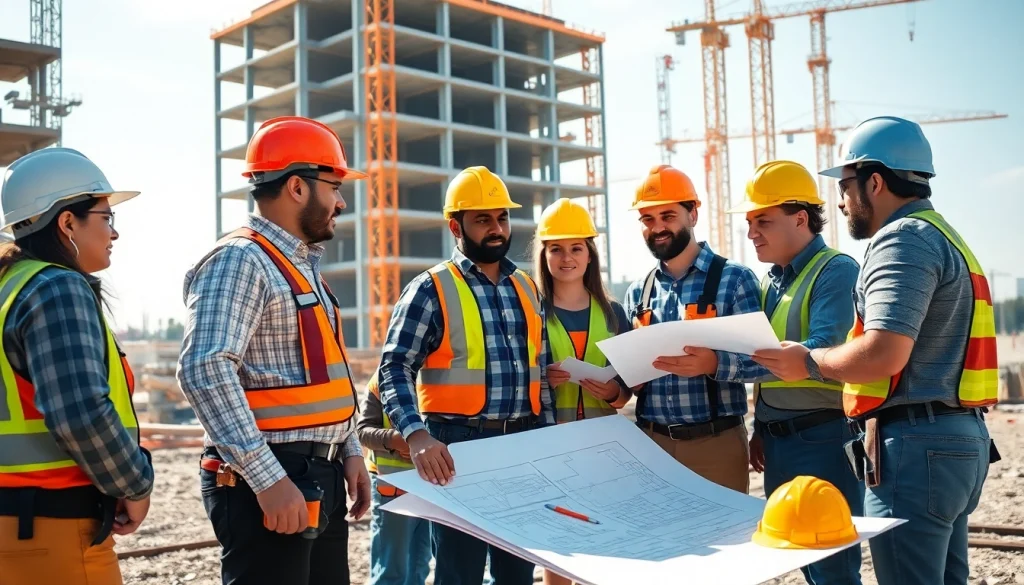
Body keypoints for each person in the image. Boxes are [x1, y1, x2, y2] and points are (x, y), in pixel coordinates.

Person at [753, 116, 999, 585]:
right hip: (957, 439)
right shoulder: (945, 235)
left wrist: (807, 360)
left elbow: (884, 352)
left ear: (877, 181)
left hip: (916, 446)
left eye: (845, 186)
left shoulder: (902, 239)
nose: (841, 201)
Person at [177, 116, 372, 585]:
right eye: (334, 185)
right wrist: (267, 479)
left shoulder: (300, 268)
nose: (341, 201)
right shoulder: (241, 260)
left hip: (315, 473)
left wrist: (345, 450)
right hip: (272, 476)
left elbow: (324, 376)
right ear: (298, 188)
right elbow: (204, 369)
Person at [377, 165, 552, 585]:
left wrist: (548, 440)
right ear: (456, 226)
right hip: (457, 449)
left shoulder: (526, 288)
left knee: (517, 572)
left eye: (502, 217)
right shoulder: (430, 288)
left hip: (521, 443)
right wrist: (417, 435)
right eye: (483, 219)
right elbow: (394, 366)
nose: (497, 228)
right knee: (459, 574)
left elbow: (539, 371)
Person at [0, 148, 154, 585]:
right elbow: (81, 413)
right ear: (67, 223)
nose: (115, 232)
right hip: (54, 529)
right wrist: (134, 484)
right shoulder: (55, 288)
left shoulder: (8, 287)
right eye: (105, 217)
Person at [726, 160, 863, 585]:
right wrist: (759, 427)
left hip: (822, 439)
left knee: (831, 567)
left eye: (762, 221)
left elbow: (825, 351)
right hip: (779, 441)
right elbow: (767, 364)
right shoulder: (772, 282)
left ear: (800, 218)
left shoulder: (836, 271)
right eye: (749, 222)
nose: (751, 233)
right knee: (800, 560)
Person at [623, 164, 762, 495]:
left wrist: (714, 364)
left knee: (729, 542)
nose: (658, 228)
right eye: (648, 219)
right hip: (651, 444)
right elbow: (631, 376)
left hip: (716, 445)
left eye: (668, 216)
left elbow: (765, 361)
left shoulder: (734, 280)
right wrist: (630, 378)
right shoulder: (637, 292)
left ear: (693, 214)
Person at [533, 197, 631, 585]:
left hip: (600, 449)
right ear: (544, 255)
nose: (566, 257)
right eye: (556, 248)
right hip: (546, 447)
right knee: (559, 546)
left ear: (590, 255)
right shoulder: (530, 310)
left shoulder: (614, 314)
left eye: (576, 248)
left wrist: (609, 392)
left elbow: (627, 395)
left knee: (598, 542)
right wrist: (543, 380)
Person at [358, 370, 432, 585]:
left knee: (419, 563)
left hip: (432, 487)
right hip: (393, 490)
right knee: (391, 569)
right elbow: (363, 431)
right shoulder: (381, 380)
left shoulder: (440, 376)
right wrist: (395, 440)